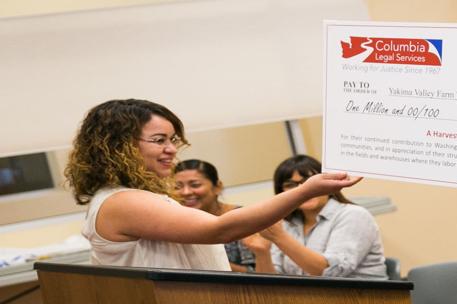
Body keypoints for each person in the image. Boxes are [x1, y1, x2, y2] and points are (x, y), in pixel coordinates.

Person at [67, 99, 360, 272]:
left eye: (173, 140)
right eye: (159, 141)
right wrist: (305, 190)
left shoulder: (135, 197)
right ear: (119, 147)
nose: (171, 149)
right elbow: (219, 229)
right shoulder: (123, 202)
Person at [249, 154, 387, 280]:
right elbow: (271, 284)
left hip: (363, 301)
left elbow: (332, 273)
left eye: (309, 182)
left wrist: (280, 238)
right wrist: (262, 253)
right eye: (290, 185)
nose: (303, 190)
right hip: (306, 301)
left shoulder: (354, 215)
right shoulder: (286, 224)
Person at [172, 159, 257, 272]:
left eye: (195, 185)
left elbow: (255, 272)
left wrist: (208, 261)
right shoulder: (176, 220)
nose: (185, 192)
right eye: (177, 187)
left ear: (217, 187)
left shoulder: (240, 217)